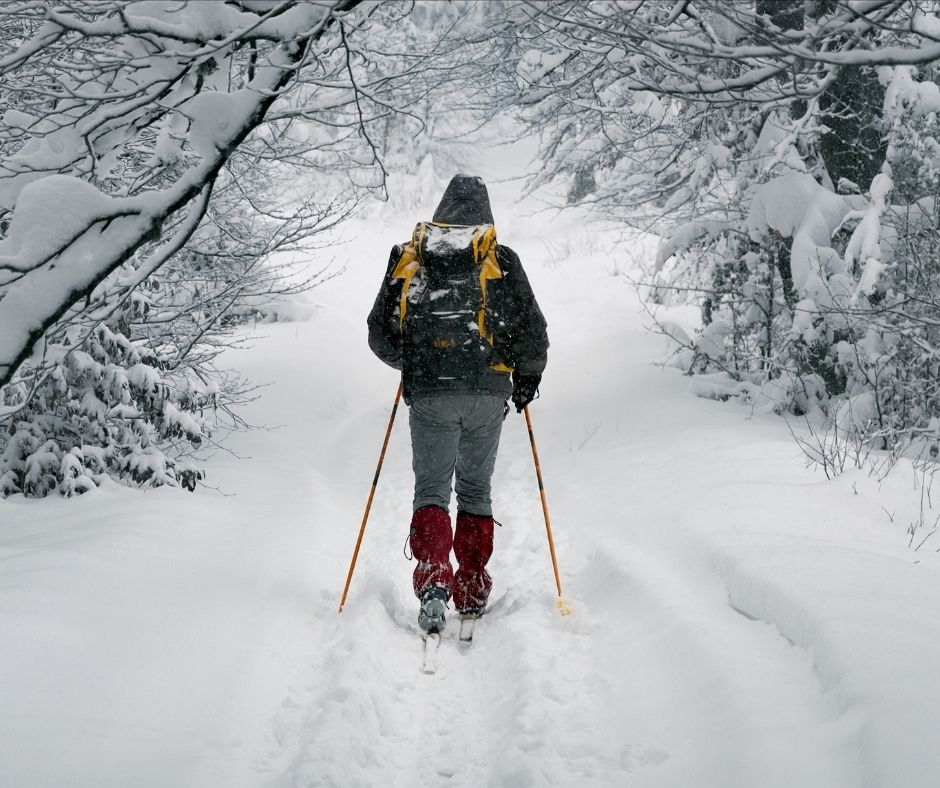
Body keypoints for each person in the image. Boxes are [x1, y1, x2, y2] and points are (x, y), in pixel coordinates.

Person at [367, 174, 549, 633]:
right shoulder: (501, 260)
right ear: (486, 216)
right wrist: (526, 380)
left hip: (430, 394)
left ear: (443, 210)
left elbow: (379, 333)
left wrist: (412, 361)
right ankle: (470, 586)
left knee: (431, 491)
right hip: (489, 393)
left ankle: (432, 583)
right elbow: (533, 331)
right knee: (474, 489)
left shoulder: (412, 259)